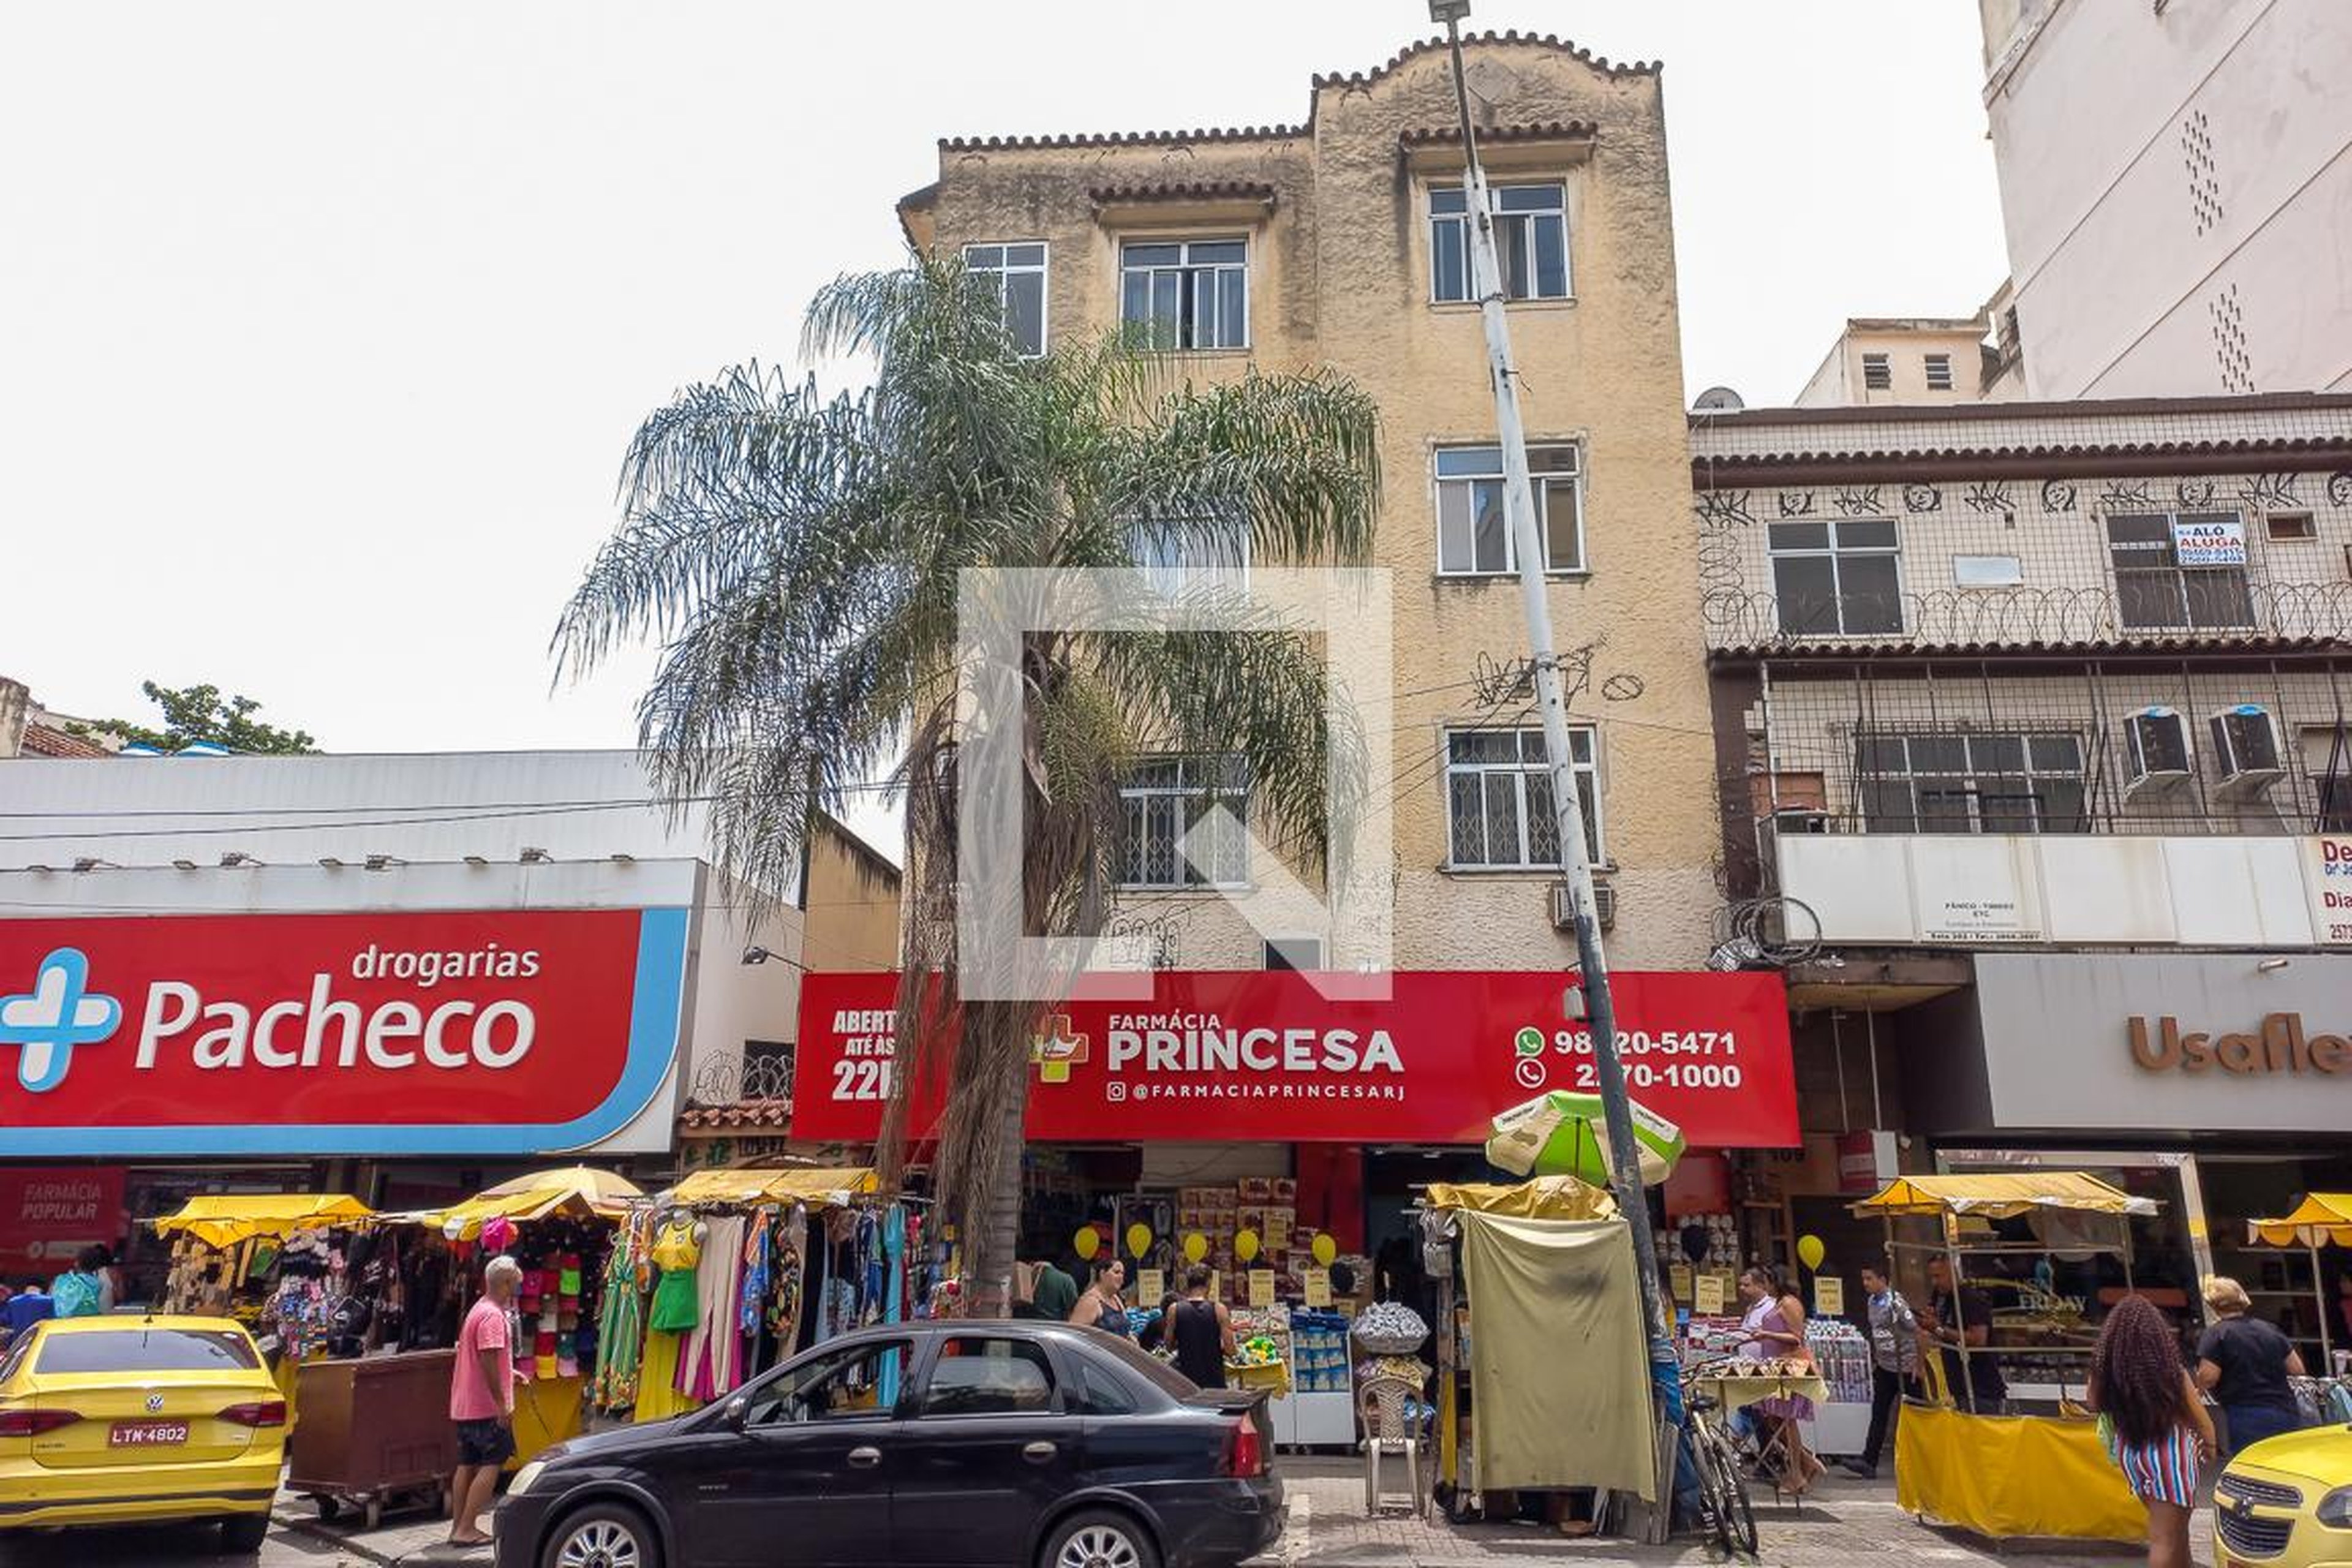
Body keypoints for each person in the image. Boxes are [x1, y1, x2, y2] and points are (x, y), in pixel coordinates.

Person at [2087, 1294, 2215, 1568]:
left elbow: (2093, 1403)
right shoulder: (2171, 1372)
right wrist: (2210, 1448)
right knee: (2166, 1539)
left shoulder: (2106, 1371)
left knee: (2175, 1534)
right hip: (2169, 1454)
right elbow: (2201, 1419)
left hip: (2131, 1452)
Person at [447, 1255, 523, 1549]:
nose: (519, 1286)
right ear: (505, 1283)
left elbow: (486, 1358)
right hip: (485, 1407)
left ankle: (458, 1527)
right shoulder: (493, 1316)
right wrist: (502, 1403)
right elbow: (489, 1359)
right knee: (492, 1463)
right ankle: (467, 1527)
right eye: (516, 1281)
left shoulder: (478, 1309)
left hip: (466, 1404)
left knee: (467, 1464)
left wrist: (511, 1372)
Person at [1735, 1264, 1825, 1496]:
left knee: (1787, 1421)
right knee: (1774, 1420)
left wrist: (1766, 1334)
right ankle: (1805, 1463)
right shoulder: (1776, 1304)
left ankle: (1797, 1474)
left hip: (1789, 1367)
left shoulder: (1789, 1303)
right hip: (1775, 1367)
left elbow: (1796, 1337)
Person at [2195, 1276, 2305, 1457]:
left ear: (2212, 1305)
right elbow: (2297, 1369)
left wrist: (2197, 1390)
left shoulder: (2216, 1334)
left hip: (2246, 1413)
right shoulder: (2269, 1328)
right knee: (2288, 1463)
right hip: (2285, 1409)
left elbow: (2209, 1377)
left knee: (2255, 1467)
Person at [1841, 1262, 1922, 1480]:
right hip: (1886, 1367)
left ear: (1883, 1279)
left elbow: (1917, 1331)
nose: (1865, 1283)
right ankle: (1869, 1461)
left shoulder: (1895, 1303)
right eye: (1864, 1279)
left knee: (1914, 1415)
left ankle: (1919, 1462)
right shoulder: (1872, 1302)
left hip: (1905, 1368)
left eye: (1870, 1279)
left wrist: (1918, 1364)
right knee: (1879, 1413)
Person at [1920, 1256, 2008, 1413]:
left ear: (1953, 1273)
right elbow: (1937, 1328)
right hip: (1959, 1387)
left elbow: (1978, 1340)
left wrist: (1938, 1328)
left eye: (1938, 1276)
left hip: (1981, 1389)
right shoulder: (1942, 1298)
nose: (1934, 1282)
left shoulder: (1970, 1299)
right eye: (1932, 1277)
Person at [1168, 1266, 1236, 1389]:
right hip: (1214, 1381)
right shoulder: (1219, 1310)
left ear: (1188, 1283)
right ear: (1209, 1283)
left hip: (1186, 1381)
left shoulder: (1174, 1310)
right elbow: (1230, 1350)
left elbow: (1169, 1346)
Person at [1069, 1257, 1129, 1336]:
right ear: (1102, 1274)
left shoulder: (1116, 1299)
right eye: (1116, 1272)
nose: (1121, 1277)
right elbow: (1074, 1335)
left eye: (1123, 1274)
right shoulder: (1090, 1301)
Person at [49, 1246, 108, 1319]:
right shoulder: (99, 1285)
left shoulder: (61, 1280)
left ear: (77, 1263)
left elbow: (49, 1300)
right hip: (89, 1324)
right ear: (97, 1267)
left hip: (59, 1325)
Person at [0, 1277, 52, 1347]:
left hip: (18, 1345)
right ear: (42, 1289)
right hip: (40, 1343)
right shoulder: (49, 1302)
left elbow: (3, 1320)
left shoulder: (13, 1301)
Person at [1029, 1257, 1079, 1324]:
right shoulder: (1066, 1280)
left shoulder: (1022, 1275)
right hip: (1056, 1329)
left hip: (1025, 1327)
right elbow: (1074, 1312)